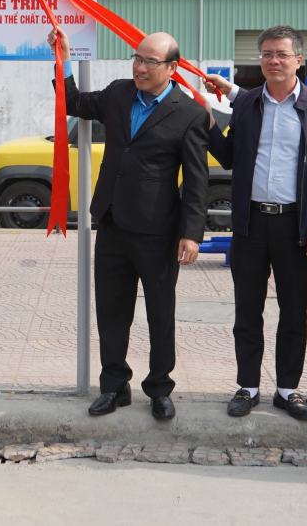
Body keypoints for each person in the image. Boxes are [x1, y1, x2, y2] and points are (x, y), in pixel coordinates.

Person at [50, 27, 208, 421]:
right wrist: (63, 58)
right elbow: (71, 101)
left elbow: (195, 179)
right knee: (112, 310)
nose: (139, 67)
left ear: (171, 68)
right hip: (113, 222)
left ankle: (159, 388)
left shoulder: (188, 114)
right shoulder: (119, 94)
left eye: (150, 62)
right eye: (137, 59)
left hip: (159, 231)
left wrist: (191, 233)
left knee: (160, 311)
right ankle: (114, 386)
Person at [204, 25, 307, 422]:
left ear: (299, 59)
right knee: (247, 310)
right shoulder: (247, 105)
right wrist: (209, 124)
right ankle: (247, 386)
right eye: (266, 54)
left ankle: (287, 388)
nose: (273, 61)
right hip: (250, 224)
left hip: (296, 227)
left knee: (294, 310)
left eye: (281, 54)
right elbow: (229, 157)